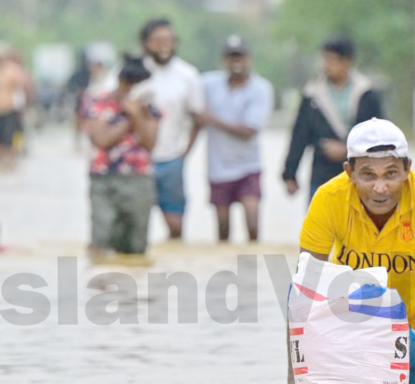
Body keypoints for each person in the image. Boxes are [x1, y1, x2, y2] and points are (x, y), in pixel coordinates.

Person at [260, 118, 415, 384]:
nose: (380, 187)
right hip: (357, 332)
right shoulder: (328, 199)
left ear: (407, 169)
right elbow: (303, 296)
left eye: (391, 174)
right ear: (349, 172)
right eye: (367, 175)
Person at [283, 36, 383, 200]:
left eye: (332, 60)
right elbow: (299, 135)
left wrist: (347, 149)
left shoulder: (365, 93)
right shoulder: (312, 94)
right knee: (319, 214)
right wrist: (290, 174)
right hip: (322, 173)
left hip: (360, 174)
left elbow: (379, 134)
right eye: (325, 59)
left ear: (347, 62)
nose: (326, 65)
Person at [83, 54, 160, 264]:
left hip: (139, 179)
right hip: (104, 179)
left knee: (136, 245)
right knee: (101, 239)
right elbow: (102, 140)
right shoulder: (99, 102)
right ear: (122, 81)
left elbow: (150, 143)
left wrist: (137, 114)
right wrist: (128, 116)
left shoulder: (149, 107)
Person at [201, 35, 273, 242]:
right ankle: (226, 263)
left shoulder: (260, 88)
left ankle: (252, 261)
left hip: (248, 166)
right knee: (223, 231)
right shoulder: (209, 84)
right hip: (218, 168)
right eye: (232, 57)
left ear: (248, 58)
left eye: (240, 56)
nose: (236, 62)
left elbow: (249, 130)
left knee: (252, 226)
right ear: (224, 60)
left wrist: (211, 119)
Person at [139, 18, 205, 240]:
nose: (164, 46)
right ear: (146, 43)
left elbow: (198, 118)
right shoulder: (132, 71)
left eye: (169, 40)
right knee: (135, 226)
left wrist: (184, 154)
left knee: (176, 227)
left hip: (171, 160)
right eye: (157, 41)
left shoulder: (187, 75)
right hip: (138, 160)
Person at [0, 43, 33, 170]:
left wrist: (26, 104)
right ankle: (1, 165)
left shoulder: (14, 71)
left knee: (11, 138)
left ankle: (13, 160)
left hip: (11, 109)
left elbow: (25, 88)